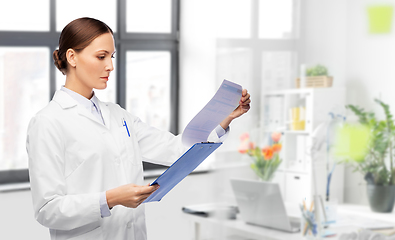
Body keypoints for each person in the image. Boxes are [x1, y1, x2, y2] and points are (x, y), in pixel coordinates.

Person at [26, 17, 250, 240]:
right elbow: (48, 209)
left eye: (111, 57)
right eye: (101, 56)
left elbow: (176, 149)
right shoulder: (47, 122)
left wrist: (223, 120)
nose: (110, 66)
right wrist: (110, 199)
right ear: (72, 57)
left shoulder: (117, 115)